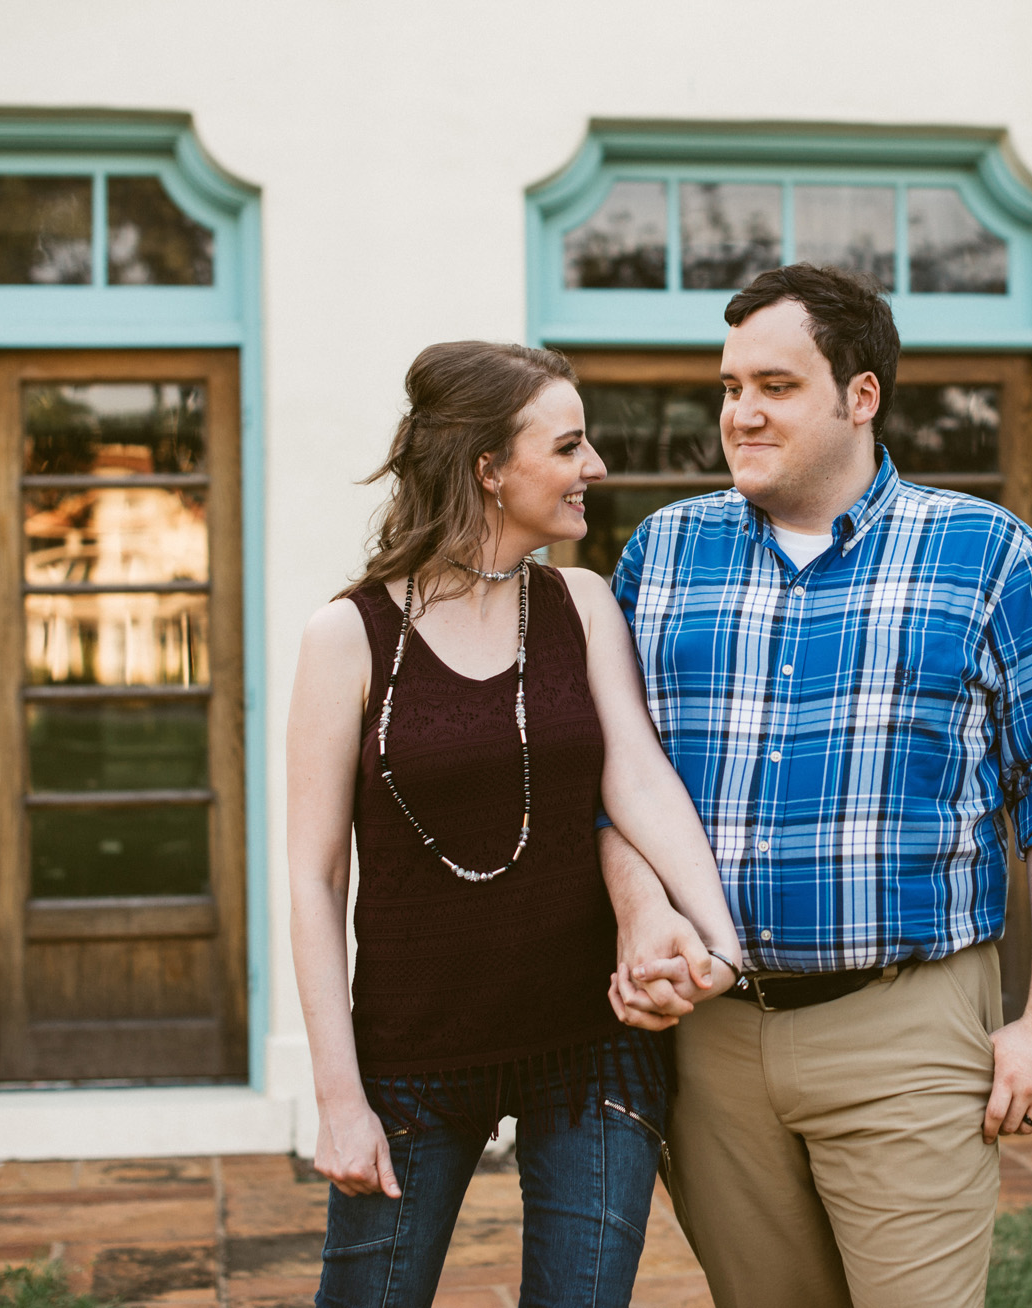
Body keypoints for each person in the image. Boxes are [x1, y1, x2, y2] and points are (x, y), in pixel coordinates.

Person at [601, 264, 1032, 1308]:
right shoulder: (664, 552)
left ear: (861, 395)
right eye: (730, 386)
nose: (741, 413)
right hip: (712, 1044)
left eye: (776, 386)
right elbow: (613, 776)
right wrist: (641, 913)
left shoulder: (985, 553)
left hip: (906, 1026)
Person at [285, 341, 741, 1308]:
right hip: (413, 1057)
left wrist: (720, 943)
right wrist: (338, 1099)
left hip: (593, 1047)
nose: (595, 469)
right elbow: (315, 879)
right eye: (568, 446)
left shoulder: (583, 604)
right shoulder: (348, 636)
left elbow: (640, 780)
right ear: (488, 468)